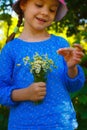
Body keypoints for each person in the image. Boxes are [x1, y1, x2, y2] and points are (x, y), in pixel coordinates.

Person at [0, 0, 85, 130]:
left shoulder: (60, 44)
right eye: (39, 5)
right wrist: (25, 94)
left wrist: (71, 68)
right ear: (23, 5)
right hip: (24, 125)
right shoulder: (10, 49)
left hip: (62, 124)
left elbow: (74, 86)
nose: (45, 12)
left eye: (52, 9)